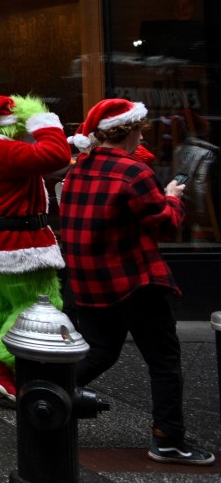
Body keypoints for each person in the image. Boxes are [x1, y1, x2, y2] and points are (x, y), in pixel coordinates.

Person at [58, 98, 214, 467]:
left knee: (101, 350)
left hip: (91, 281)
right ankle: (169, 440)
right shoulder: (134, 173)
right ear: (128, 130)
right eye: (140, 127)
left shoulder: (80, 169)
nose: (143, 133)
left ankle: (44, 393)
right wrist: (172, 199)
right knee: (163, 360)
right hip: (133, 281)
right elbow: (162, 224)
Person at [0, 94, 70, 403]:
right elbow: (57, 154)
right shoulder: (0, 150)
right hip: (20, 246)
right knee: (38, 308)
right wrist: (40, 117)